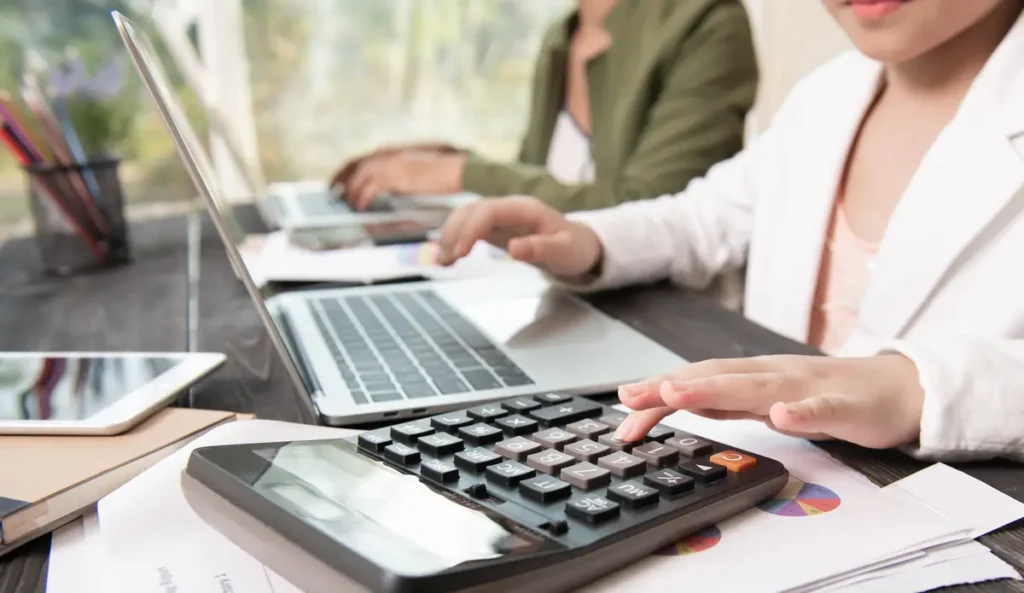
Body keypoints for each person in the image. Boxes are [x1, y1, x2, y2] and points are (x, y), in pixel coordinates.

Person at [435, 0, 1024, 462]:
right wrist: (590, 242)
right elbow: (705, 217)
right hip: (784, 473)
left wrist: (916, 388)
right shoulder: (828, 93)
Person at [329, 0, 758, 213]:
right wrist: (441, 164)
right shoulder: (562, 36)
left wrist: (461, 173)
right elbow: (541, 182)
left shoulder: (708, 23)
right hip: (563, 304)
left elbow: (644, 212)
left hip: (665, 325)